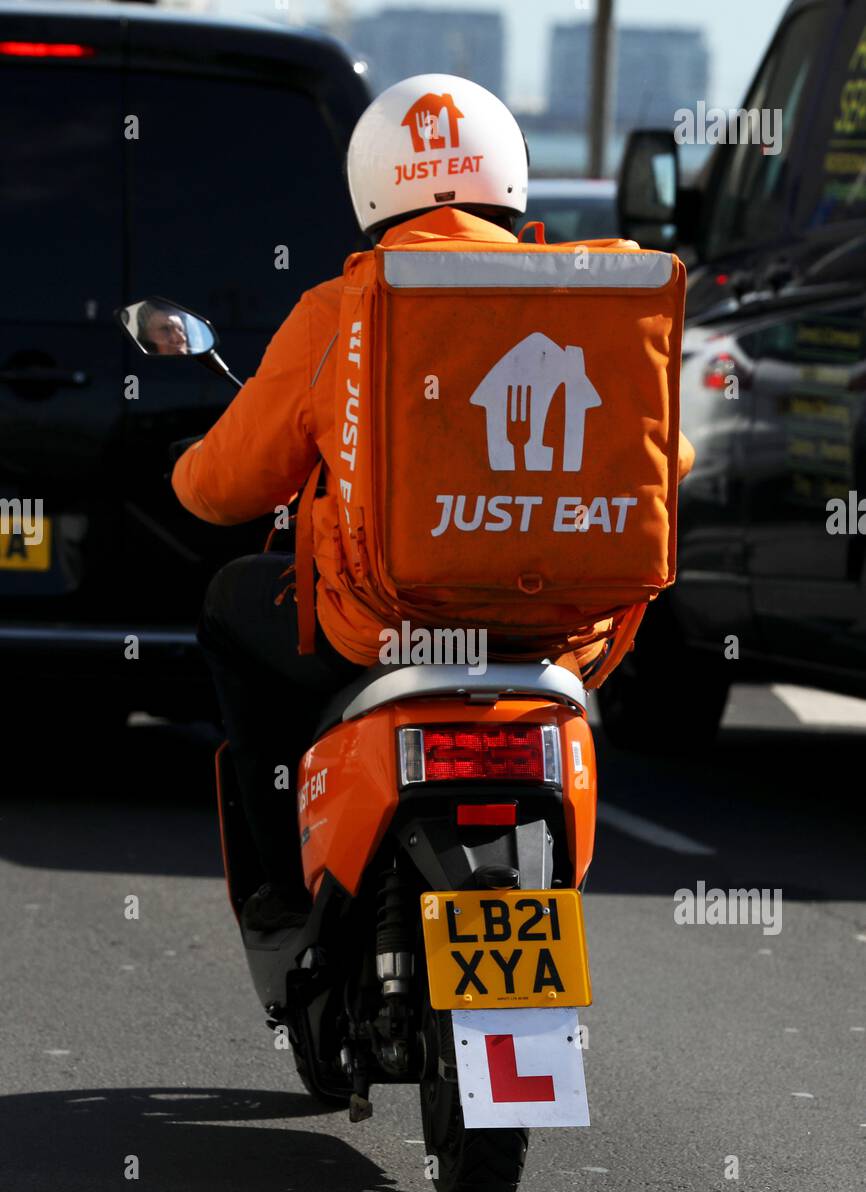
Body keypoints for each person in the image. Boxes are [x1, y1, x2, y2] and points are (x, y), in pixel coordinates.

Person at [171, 73, 694, 935]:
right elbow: (668, 457)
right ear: (514, 193)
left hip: (382, 626)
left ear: (373, 197)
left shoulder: (341, 306)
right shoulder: (587, 302)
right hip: (560, 629)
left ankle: (282, 885)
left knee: (235, 603)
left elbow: (227, 488)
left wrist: (186, 469)